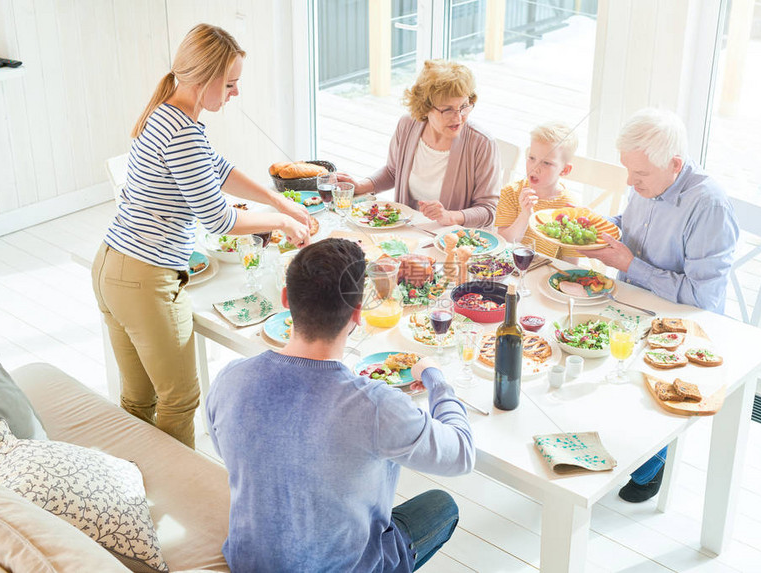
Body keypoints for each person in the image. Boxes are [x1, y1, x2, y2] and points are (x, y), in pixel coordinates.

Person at [91, 24, 311, 449]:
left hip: (111, 265)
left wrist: (279, 202)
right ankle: (178, 500)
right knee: (179, 400)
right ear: (205, 78)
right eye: (229, 84)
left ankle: (134, 491)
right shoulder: (182, 132)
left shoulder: (167, 113)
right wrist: (281, 222)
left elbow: (220, 170)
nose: (234, 93)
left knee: (137, 401)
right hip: (145, 280)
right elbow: (218, 219)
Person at [206, 238, 475, 572]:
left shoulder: (230, 377)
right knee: (441, 506)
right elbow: (462, 453)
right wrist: (436, 378)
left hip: (250, 562)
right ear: (358, 314)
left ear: (286, 299)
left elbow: (225, 447)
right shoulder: (377, 406)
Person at [587, 108, 739, 502]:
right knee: (570, 335)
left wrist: (630, 265)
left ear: (675, 164)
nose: (629, 182)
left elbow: (703, 299)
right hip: (632, 304)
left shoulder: (709, 205)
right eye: (628, 172)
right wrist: (604, 226)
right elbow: (635, 224)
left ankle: (653, 455)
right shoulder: (647, 181)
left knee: (616, 366)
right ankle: (603, 434)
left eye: (639, 176)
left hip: (684, 324)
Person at [339, 60, 501, 228]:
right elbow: (393, 172)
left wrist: (451, 216)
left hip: (454, 241)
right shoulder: (408, 125)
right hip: (406, 230)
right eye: (447, 110)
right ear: (425, 107)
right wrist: (360, 186)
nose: (458, 117)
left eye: (464, 106)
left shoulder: (482, 143)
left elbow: (488, 209)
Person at [495, 121, 579, 257]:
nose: (535, 167)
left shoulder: (569, 206)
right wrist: (525, 215)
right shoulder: (511, 192)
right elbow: (504, 244)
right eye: (532, 158)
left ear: (564, 170)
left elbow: (570, 262)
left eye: (546, 163)